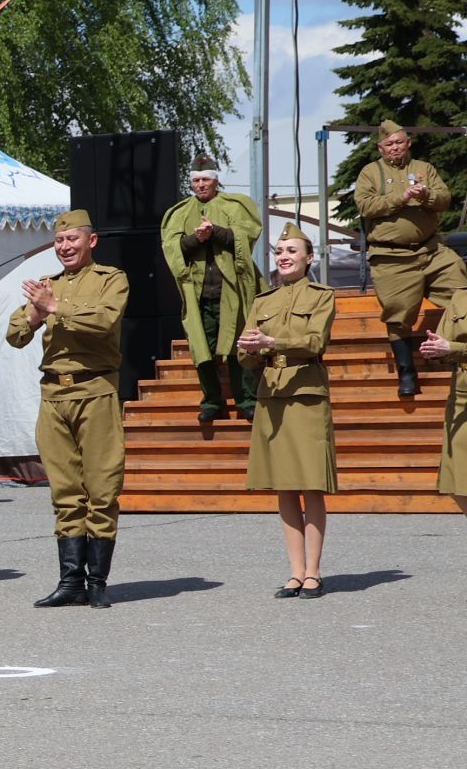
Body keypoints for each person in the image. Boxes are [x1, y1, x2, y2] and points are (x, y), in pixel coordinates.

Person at [9, 210, 129, 609]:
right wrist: (34, 312)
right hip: (54, 397)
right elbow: (15, 336)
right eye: (60, 241)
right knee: (64, 492)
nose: (65, 247)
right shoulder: (46, 285)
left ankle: (98, 582)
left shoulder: (111, 279)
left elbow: (105, 321)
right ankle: (70, 581)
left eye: (72, 240)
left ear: (90, 241)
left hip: (94, 391)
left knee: (102, 487)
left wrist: (56, 307)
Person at [236, 224, 338, 599]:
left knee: (310, 484)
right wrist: (248, 348)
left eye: (292, 250)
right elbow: (245, 357)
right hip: (272, 394)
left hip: (306, 393)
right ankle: (294, 572)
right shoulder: (262, 301)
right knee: (283, 486)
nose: (284, 256)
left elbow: (315, 341)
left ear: (309, 258)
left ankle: (313, 572)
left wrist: (272, 340)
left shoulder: (322, 295)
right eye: (279, 250)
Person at [355, 120, 466, 399]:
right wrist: (401, 198)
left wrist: (426, 194)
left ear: (408, 143)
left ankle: (459, 354)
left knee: (462, 293)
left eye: (400, 142)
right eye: (389, 144)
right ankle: (407, 372)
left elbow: (444, 198)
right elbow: (366, 205)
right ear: (381, 147)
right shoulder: (371, 172)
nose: (395, 148)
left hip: (431, 251)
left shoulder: (423, 169)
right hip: (392, 256)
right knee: (398, 313)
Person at [160, 153, 261, 423]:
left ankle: (247, 399)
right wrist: (196, 238)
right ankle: (212, 401)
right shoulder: (180, 212)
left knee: (239, 346)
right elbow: (173, 247)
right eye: (196, 180)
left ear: (216, 181)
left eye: (206, 179)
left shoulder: (236, 205)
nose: (201, 184)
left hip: (233, 291)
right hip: (200, 294)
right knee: (202, 349)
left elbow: (246, 236)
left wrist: (215, 231)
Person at [417, 261, 467, 514]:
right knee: (457, 481)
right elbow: (445, 339)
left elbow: (454, 347)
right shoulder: (460, 297)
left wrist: (455, 348)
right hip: (461, 398)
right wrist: (437, 347)